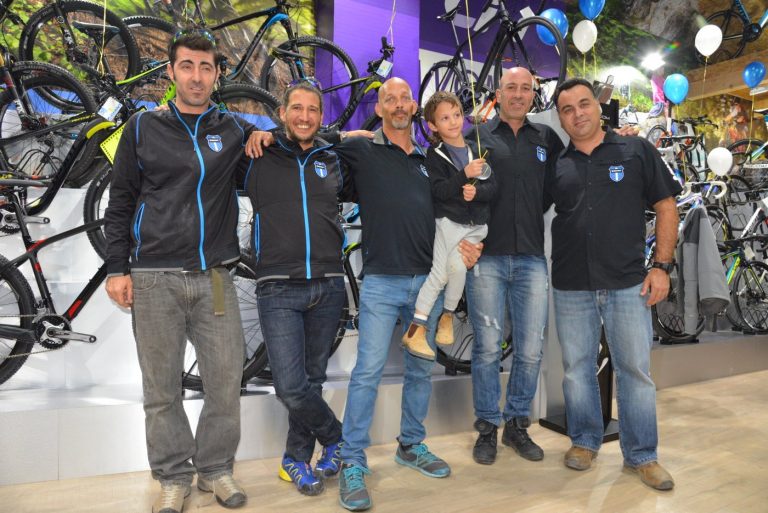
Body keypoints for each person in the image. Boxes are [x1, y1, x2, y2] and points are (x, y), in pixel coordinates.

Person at [245, 77, 482, 512]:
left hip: (427, 283)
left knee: (420, 370)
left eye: (404, 98)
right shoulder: (360, 149)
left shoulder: (431, 159)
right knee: (367, 373)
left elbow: (454, 207)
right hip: (381, 281)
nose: (398, 104)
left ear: (414, 107)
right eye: (389, 98)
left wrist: (470, 243)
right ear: (379, 106)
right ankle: (352, 458)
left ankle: (411, 444)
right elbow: (310, 138)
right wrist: (265, 134)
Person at [104, 30, 253, 513]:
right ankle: (172, 476)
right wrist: (116, 268)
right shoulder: (142, 127)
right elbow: (120, 201)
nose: (196, 76)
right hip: (154, 277)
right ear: (171, 71)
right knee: (161, 389)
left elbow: (282, 147)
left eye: (206, 67)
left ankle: (215, 469)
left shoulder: (232, 129)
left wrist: (342, 139)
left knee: (225, 382)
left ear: (217, 74)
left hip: (215, 277)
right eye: (187, 66)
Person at [544, 78, 680, 491]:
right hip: (571, 283)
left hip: (627, 282)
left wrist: (662, 266)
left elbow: (666, 205)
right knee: (577, 370)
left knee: (634, 370)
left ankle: (642, 456)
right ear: (560, 118)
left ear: (597, 107)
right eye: (567, 109)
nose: (577, 114)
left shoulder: (635, 150)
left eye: (584, 104)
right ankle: (584, 441)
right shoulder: (556, 164)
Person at [240, 81, 353, 497]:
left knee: (313, 380)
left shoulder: (331, 159)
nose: (305, 117)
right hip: (278, 287)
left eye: (313, 110)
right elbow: (216, 128)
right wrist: (256, 134)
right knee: (290, 386)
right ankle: (338, 438)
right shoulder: (257, 154)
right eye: (297, 108)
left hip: (328, 284)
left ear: (321, 116)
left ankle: (295, 459)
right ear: (283, 112)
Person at [464, 67, 564, 465]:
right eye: (511, 87)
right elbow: (463, 190)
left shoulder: (546, 138)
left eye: (526, 88)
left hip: (532, 259)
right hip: (486, 257)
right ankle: (487, 426)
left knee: (531, 349)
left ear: (533, 94)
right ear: (499, 93)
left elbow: (555, 187)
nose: (519, 94)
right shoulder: (478, 135)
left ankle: (516, 426)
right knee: (488, 348)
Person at [401, 91, 496, 361]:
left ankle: (447, 316)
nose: (453, 121)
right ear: (433, 126)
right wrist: (463, 175)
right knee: (441, 274)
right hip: (449, 224)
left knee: (457, 268)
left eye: (456, 115)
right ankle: (416, 329)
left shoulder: (477, 149)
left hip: (476, 227)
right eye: (444, 118)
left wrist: (477, 192)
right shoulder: (434, 155)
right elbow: (439, 191)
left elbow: (493, 186)